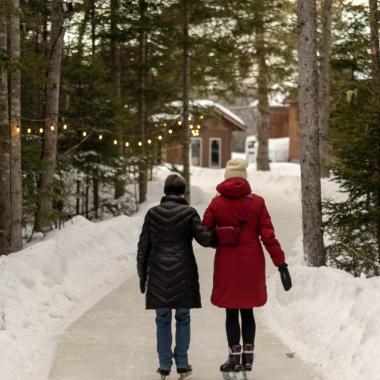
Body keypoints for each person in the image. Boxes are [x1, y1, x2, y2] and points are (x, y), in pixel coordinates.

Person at [202, 158, 292, 377]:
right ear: (244, 177)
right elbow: (269, 236)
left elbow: (205, 232)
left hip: (226, 263)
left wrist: (217, 238)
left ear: (226, 176)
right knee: (248, 310)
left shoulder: (216, 203)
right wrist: (281, 264)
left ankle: (233, 359)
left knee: (231, 312)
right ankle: (248, 360)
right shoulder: (258, 203)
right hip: (252, 263)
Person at [137, 173, 215, 380]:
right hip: (183, 273)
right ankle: (181, 363)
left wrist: (142, 276)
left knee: (162, 319)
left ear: (165, 192)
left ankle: (164, 366)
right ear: (183, 192)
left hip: (159, 274)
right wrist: (220, 229)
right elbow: (205, 239)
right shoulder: (189, 213)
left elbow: (143, 247)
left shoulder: (152, 214)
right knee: (183, 318)